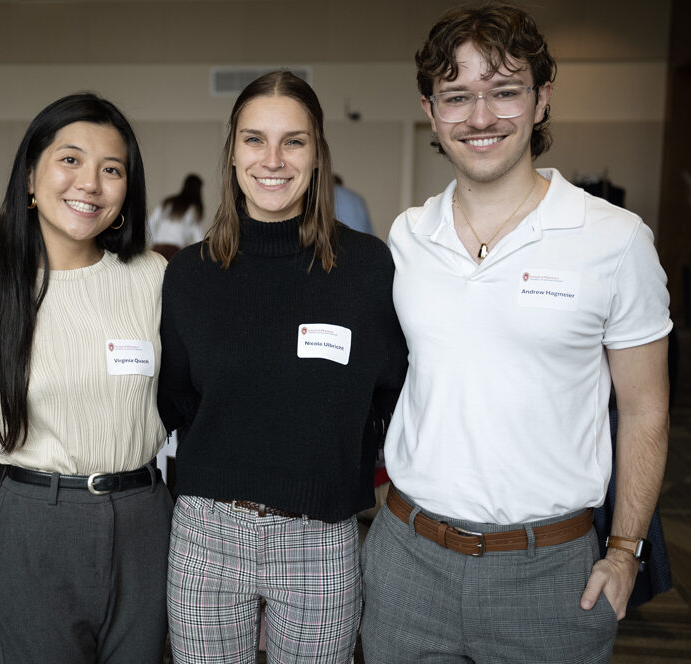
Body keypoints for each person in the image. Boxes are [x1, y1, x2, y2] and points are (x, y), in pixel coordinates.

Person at [361, 5, 671, 663]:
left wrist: (623, 552)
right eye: (457, 97)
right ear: (430, 109)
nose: (480, 118)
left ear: (540, 99)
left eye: (504, 91)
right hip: (406, 562)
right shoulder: (408, 236)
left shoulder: (615, 239)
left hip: (550, 573)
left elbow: (646, 408)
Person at [158, 71, 407, 664]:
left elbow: (389, 395)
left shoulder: (368, 269)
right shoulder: (190, 275)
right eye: (254, 140)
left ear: (318, 152)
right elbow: (176, 401)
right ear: (232, 152)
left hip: (321, 534)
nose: (273, 159)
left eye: (293, 141)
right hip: (207, 533)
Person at [0, 93, 172, 663]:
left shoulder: (154, 278)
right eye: (70, 160)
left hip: (145, 519)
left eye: (111, 169)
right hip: (36, 521)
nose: (89, 183)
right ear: (30, 179)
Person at [148, 173, 204, 259]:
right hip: (174, 251)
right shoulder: (193, 209)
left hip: (157, 248)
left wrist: (154, 241)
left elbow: (150, 222)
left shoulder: (168, 202)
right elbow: (198, 237)